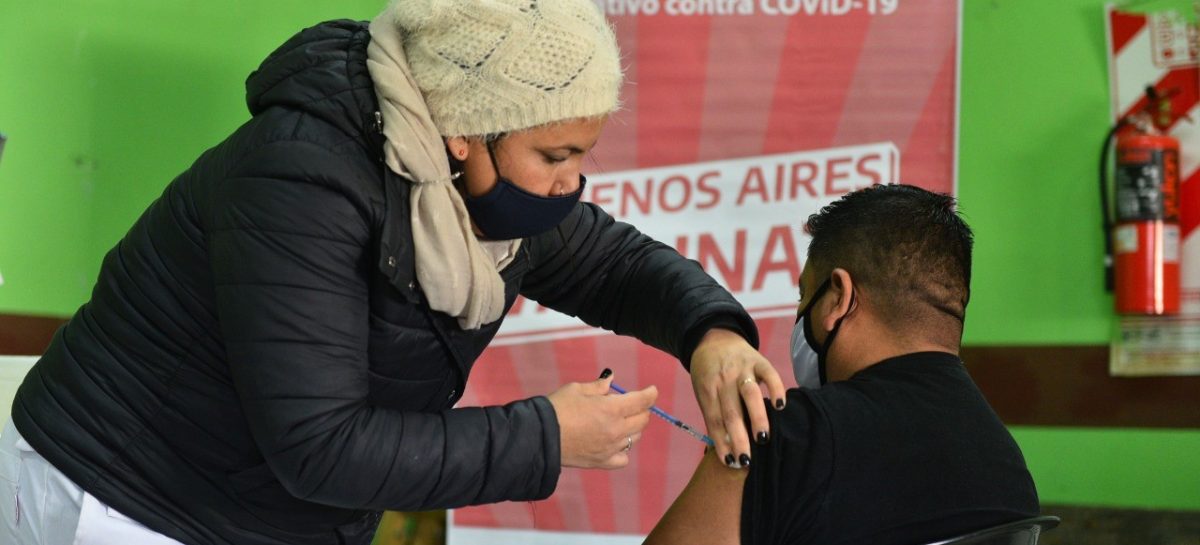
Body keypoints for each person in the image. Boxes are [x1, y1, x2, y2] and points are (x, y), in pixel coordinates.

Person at [0, 1, 787, 544]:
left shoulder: (483, 190)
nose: (571, 184)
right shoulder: (302, 181)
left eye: (582, 155)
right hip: (125, 499)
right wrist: (546, 436)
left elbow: (610, 261)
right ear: (462, 133)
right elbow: (321, 445)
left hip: (264, 513)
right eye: (555, 156)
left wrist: (709, 331)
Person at [645, 184, 1040, 545]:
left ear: (839, 297)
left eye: (804, 295)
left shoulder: (784, 438)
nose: (800, 313)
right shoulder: (1009, 468)